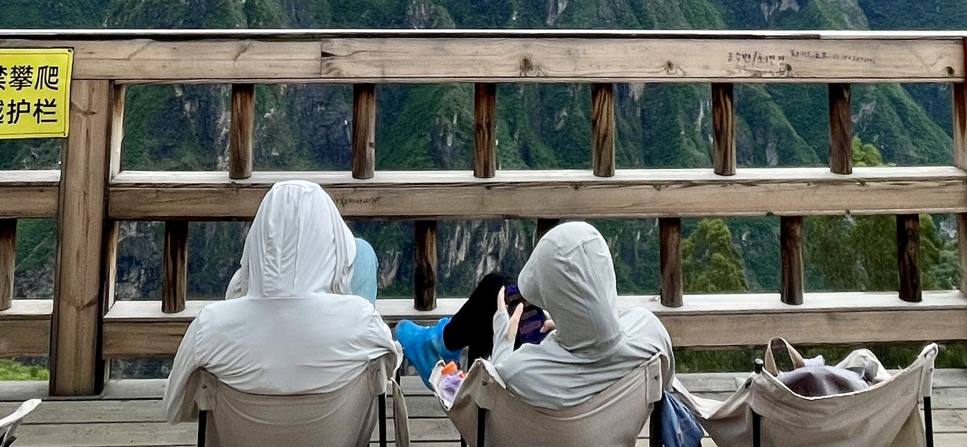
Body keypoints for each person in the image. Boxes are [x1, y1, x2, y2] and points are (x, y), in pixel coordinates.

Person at [163, 180, 399, 422]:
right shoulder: (360, 320)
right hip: (341, 435)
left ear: (257, 237)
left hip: (241, 437)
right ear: (333, 240)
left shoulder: (211, 325)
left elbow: (174, 409)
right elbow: (383, 375)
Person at [398, 221, 674, 407]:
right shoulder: (651, 333)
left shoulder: (522, 371)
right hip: (610, 428)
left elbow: (498, 385)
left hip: (528, 419)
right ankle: (440, 341)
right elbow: (666, 385)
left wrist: (503, 338)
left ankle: (437, 344)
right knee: (498, 285)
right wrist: (574, 325)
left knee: (498, 296)